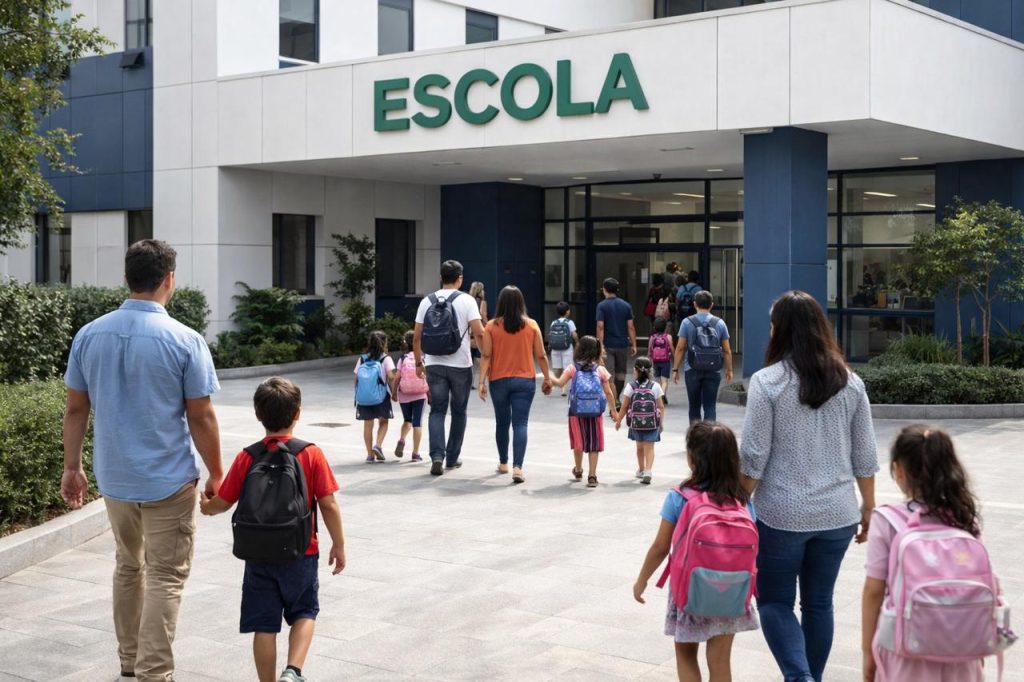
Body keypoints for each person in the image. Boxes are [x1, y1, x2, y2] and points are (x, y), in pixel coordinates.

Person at [61, 239, 223, 682]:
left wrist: (72, 467)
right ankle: (154, 672)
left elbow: (75, 409)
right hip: (168, 480)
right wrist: (217, 472)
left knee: (128, 566)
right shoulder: (185, 340)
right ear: (169, 279)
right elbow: (201, 416)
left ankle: (130, 661)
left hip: (114, 478)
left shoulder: (89, 335)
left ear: (126, 278)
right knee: (165, 576)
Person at [740, 290, 878, 682]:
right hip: (838, 515)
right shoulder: (851, 383)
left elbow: (753, 456)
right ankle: (808, 677)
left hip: (781, 515)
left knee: (774, 601)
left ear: (781, 330)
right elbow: (865, 454)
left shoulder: (767, 382)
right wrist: (869, 507)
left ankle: (800, 677)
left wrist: (733, 503)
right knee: (819, 604)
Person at [199, 377, 346, 682]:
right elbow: (329, 504)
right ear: (298, 413)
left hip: (258, 554)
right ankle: (292, 671)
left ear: (258, 415)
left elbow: (224, 501)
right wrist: (339, 544)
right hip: (301, 551)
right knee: (305, 612)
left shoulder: (248, 456)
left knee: (264, 626)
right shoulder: (311, 454)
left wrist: (207, 507)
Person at [862, 426, 992, 682]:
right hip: (963, 650)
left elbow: (873, 591)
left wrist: (868, 651)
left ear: (898, 469)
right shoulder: (965, 519)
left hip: (905, 649)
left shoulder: (887, 520)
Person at [633, 422, 759, 682]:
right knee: (720, 661)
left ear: (692, 459)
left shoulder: (680, 497)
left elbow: (660, 546)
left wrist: (642, 579)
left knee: (686, 656)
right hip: (731, 592)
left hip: (689, 590)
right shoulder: (743, 502)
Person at [413, 260, 485, 476]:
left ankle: (437, 456)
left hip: (434, 363)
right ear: (460, 278)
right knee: (459, 411)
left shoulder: (426, 301)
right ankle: (452, 458)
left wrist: (418, 363)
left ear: (440, 278)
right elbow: (479, 332)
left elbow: (416, 337)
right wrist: (486, 356)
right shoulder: (467, 300)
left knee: (437, 410)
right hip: (460, 364)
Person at [478, 285, 552, 483]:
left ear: (500, 302)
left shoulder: (491, 326)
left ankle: (503, 463)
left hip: (498, 380)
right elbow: (541, 355)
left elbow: (486, 356)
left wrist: (481, 381)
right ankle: (518, 467)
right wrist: (547, 378)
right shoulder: (531, 325)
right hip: (524, 380)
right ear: (521, 303)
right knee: (520, 423)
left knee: (502, 423)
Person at [550, 335, 619, 488]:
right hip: (595, 412)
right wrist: (614, 411)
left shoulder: (572, 368)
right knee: (594, 443)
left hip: (576, 412)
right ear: (597, 351)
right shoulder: (600, 370)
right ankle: (592, 476)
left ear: (579, 350)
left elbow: (559, 383)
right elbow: (608, 393)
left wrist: (547, 376)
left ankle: (578, 470)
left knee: (578, 441)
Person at [673, 291, 733, 423]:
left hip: (692, 368)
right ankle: (709, 434)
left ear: (695, 304)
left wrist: (675, 369)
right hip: (713, 369)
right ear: (711, 305)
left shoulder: (687, 322)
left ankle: (695, 434)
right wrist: (729, 370)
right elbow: (727, 350)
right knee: (710, 406)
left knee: (694, 406)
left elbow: (680, 347)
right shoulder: (720, 323)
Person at [614, 356, 665, 485]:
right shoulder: (655, 386)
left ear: (635, 370)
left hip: (636, 423)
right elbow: (661, 406)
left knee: (639, 448)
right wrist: (661, 423)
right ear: (650, 371)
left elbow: (624, 406)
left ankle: (641, 469)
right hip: (652, 422)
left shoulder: (631, 386)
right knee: (649, 447)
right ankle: (648, 470)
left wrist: (619, 421)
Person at [354, 330, 396, 463]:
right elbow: (391, 377)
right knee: (383, 421)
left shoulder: (362, 358)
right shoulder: (386, 358)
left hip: (364, 397)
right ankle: (377, 445)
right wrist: (394, 392)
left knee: (368, 424)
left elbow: (356, 379)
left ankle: (369, 455)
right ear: (384, 343)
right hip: (381, 396)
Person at [596, 277, 637, 405]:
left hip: (608, 344)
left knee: (609, 374)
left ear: (604, 290)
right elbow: (630, 326)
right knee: (621, 374)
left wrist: (600, 345)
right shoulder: (626, 305)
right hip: (622, 344)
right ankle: (617, 398)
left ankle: (614, 401)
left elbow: (600, 327)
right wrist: (634, 344)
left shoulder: (601, 306)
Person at [393, 330, 429, 462]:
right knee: (417, 423)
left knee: (407, 420)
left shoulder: (403, 358)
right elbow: (428, 375)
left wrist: (394, 392)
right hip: (420, 394)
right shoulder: (423, 357)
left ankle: (402, 439)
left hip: (404, 394)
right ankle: (415, 453)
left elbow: (397, 378)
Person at [548, 301, 579, 397]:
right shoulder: (569, 322)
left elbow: (551, 335)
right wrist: (577, 342)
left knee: (558, 370)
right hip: (567, 348)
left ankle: (560, 386)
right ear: (567, 311)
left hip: (555, 349)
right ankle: (565, 389)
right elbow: (574, 334)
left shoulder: (553, 323)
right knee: (568, 369)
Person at [648, 317, 675, 405]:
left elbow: (649, 350)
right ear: (665, 327)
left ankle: (660, 397)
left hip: (656, 361)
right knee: (664, 381)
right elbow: (672, 348)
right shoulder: (668, 336)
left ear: (654, 327)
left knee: (658, 381)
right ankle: (662, 395)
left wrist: (649, 360)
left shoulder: (652, 337)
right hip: (665, 361)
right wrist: (674, 358)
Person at [468, 281, 488, 388]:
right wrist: (488, 324)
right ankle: (482, 381)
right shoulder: (482, 302)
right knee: (482, 357)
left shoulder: (467, 301)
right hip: (479, 330)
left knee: (470, 359)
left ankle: (469, 382)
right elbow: (482, 314)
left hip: (469, 332)